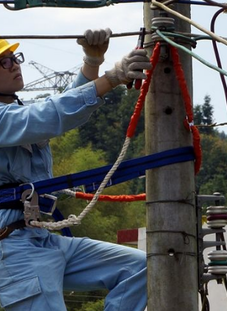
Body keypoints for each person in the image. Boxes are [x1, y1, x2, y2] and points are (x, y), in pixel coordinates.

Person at [0, 28, 152, 311]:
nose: (15, 65)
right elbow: (48, 116)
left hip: (41, 237)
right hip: (11, 247)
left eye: (15, 57)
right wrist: (111, 78)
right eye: (4, 61)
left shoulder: (17, 112)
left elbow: (57, 109)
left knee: (141, 268)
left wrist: (91, 64)